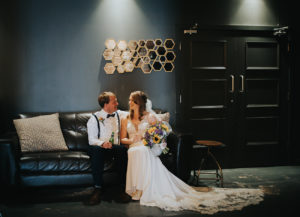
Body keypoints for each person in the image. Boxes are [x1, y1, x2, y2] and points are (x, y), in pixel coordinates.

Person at [120, 90, 264, 214]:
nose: (129, 103)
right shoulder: (126, 119)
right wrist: (132, 140)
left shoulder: (150, 117)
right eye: (130, 101)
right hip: (134, 145)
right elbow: (122, 139)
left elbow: (160, 133)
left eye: (132, 101)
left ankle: (142, 189)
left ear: (139, 102)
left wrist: (148, 138)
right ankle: (134, 190)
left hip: (146, 145)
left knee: (141, 151)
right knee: (135, 151)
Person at [86, 91, 130, 205]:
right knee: (96, 150)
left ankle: (121, 188)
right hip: (99, 147)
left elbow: (135, 113)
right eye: (114, 101)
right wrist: (102, 143)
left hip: (114, 147)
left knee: (122, 150)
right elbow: (91, 139)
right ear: (106, 104)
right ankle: (97, 189)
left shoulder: (119, 114)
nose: (117, 103)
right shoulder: (94, 118)